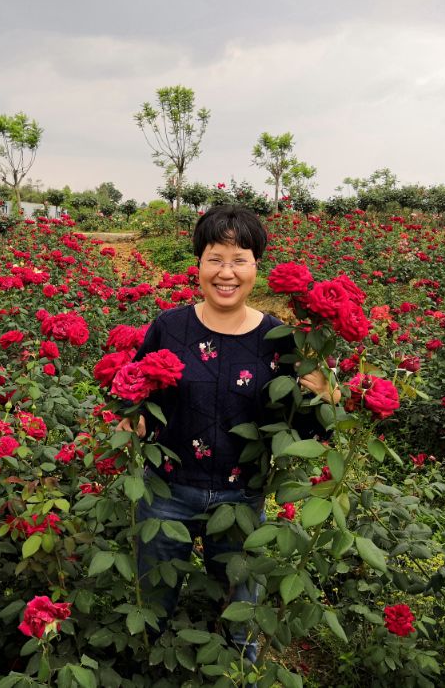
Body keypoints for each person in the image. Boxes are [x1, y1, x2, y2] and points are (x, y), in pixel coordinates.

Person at [116, 204, 337, 664]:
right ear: (197, 263)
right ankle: (154, 670)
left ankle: (238, 671)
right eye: (215, 258)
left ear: (258, 265)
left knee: (242, 615)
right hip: (167, 492)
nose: (226, 272)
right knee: (153, 606)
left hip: (243, 497)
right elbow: (135, 396)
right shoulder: (169, 327)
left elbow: (305, 427)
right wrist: (128, 420)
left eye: (240, 259)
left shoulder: (278, 339)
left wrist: (327, 397)